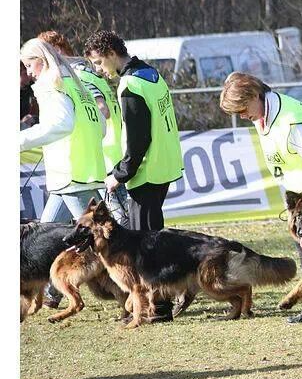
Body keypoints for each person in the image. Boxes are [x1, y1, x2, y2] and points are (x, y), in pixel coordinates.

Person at [219, 72, 302, 324]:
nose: (242, 116)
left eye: (242, 109)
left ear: (255, 95)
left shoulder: (293, 119)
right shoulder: (263, 116)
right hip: (300, 197)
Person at [84, 29, 183, 231]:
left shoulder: (130, 85)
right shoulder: (151, 73)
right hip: (165, 164)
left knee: (145, 241)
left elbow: (138, 139)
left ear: (111, 53)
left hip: (147, 172)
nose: (98, 70)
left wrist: (120, 175)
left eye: (99, 62)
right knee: (152, 235)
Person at [38, 30, 129, 227]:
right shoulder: (90, 74)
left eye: (41, 57)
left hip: (98, 159)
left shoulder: (77, 77)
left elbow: (102, 111)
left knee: (113, 227)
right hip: (104, 157)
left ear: (56, 50)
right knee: (47, 228)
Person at [19, 38, 107, 223]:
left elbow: (61, 124)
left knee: (101, 236)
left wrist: (20, 141)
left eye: (29, 65)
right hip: (80, 172)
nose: (28, 72)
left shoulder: (51, 84)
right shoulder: (76, 84)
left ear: (41, 59)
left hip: (70, 174)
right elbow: (101, 126)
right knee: (45, 235)